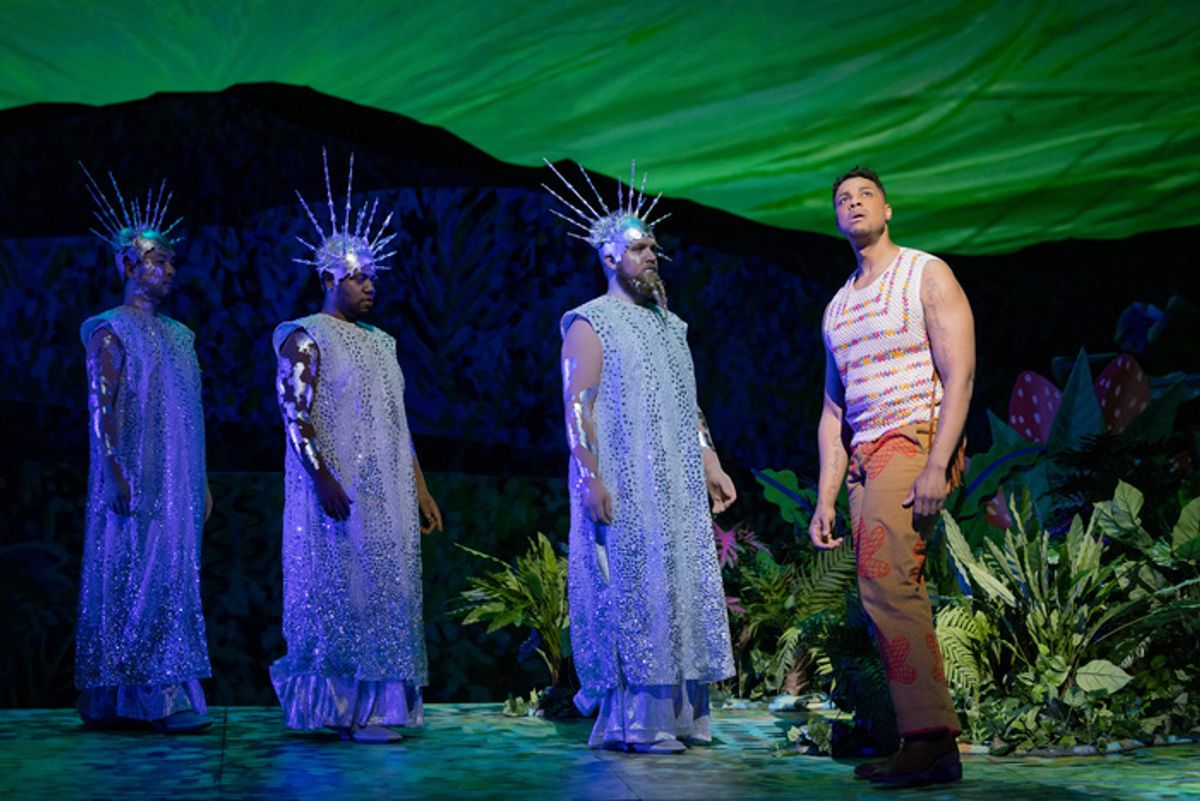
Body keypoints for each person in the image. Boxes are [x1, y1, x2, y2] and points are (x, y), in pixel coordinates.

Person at [546, 159, 737, 753]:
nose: (651, 255)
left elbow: (690, 405)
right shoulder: (590, 322)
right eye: (638, 248)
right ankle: (638, 723)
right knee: (635, 591)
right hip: (625, 483)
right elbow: (577, 406)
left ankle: (681, 716)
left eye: (653, 246)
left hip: (675, 486)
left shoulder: (671, 326)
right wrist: (591, 477)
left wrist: (710, 460)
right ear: (609, 257)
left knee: (678, 585)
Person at [269, 150, 443, 744]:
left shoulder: (383, 341)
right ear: (327, 279)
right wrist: (322, 477)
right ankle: (341, 709)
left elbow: (398, 422)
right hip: (339, 491)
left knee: (387, 591)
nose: (369, 285)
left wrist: (418, 487)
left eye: (372, 276)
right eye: (357, 277)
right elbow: (294, 415)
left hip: (388, 492)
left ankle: (383, 707)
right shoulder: (305, 337)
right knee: (342, 590)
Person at [811, 167, 975, 786]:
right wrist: (826, 496)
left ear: (889, 209)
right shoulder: (838, 305)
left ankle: (930, 741)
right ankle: (927, 742)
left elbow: (959, 374)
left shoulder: (925, 273)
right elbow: (832, 411)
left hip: (914, 437)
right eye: (842, 200)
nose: (853, 205)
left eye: (865, 196)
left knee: (888, 583)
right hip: (862, 458)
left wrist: (938, 462)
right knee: (886, 587)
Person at [75, 165, 213, 733]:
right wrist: (111, 469)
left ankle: (160, 693)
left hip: (178, 477)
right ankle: (135, 697)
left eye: (170, 261)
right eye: (157, 260)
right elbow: (100, 405)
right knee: (130, 569)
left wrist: (201, 480)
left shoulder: (181, 336)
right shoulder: (110, 329)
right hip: (134, 471)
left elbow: (191, 415)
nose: (167, 270)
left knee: (173, 573)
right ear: (129, 265)